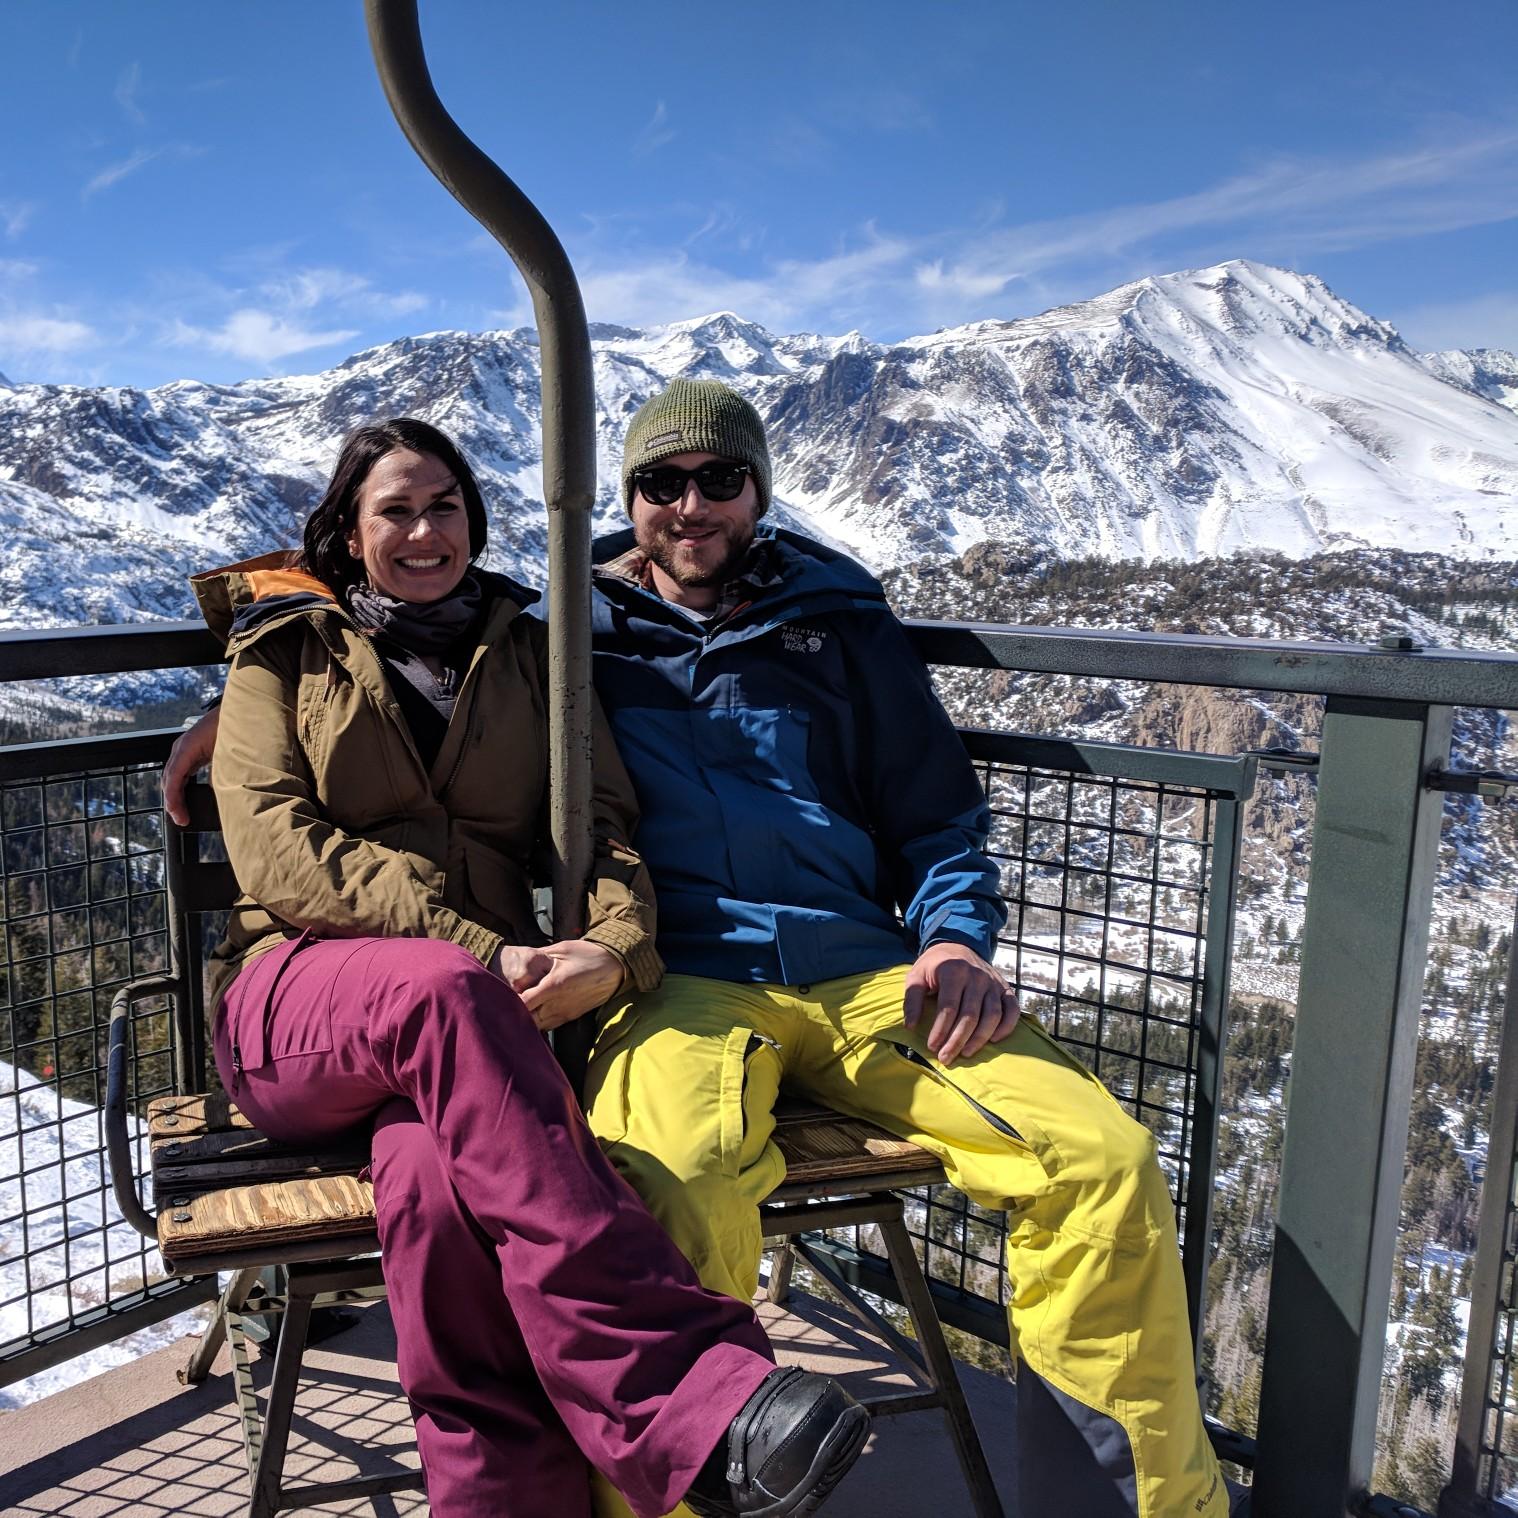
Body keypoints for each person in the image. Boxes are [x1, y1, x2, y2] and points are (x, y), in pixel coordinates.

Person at [166, 387, 1239, 1517]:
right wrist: (237, 702)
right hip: (671, 988)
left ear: (759, 490)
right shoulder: (568, 629)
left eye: (717, 481)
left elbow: (917, 811)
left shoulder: (796, 622)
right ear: (626, 502)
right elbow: (316, 760)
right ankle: (697, 1436)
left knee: (1101, 1161)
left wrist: (952, 938)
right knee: (670, 1188)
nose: (689, 507)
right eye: (661, 484)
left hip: (868, 977)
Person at [180, 417, 868, 1518]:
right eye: (394, 510)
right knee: (444, 993)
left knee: (440, 1197)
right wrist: (480, 949)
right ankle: (684, 1396)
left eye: (443, 505)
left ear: (475, 518)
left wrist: (611, 946)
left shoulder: (533, 652)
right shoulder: (283, 652)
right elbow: (279, 854)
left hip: (471, 1045)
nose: (422, 530)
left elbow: (603, 827)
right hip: (295, 999)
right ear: (349, 533)